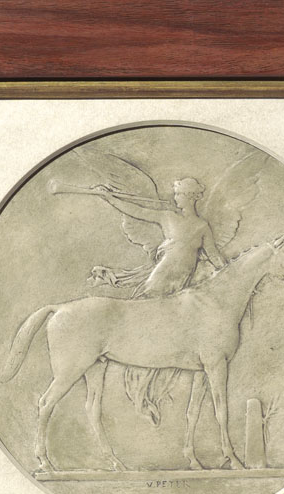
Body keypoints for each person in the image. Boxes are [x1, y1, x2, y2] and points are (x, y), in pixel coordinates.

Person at [89, 177, 227, 424]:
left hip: (179, 290)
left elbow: (215, 257)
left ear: (191, 197)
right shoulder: (167, 217)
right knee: (148, 336)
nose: (176, 198)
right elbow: (136, 210)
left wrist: (231, 276)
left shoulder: (202, 227)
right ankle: (139, 390)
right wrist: (109, 197)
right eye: (176, 194)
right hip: (159, 283)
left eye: (180, 194)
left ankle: (148, 392)